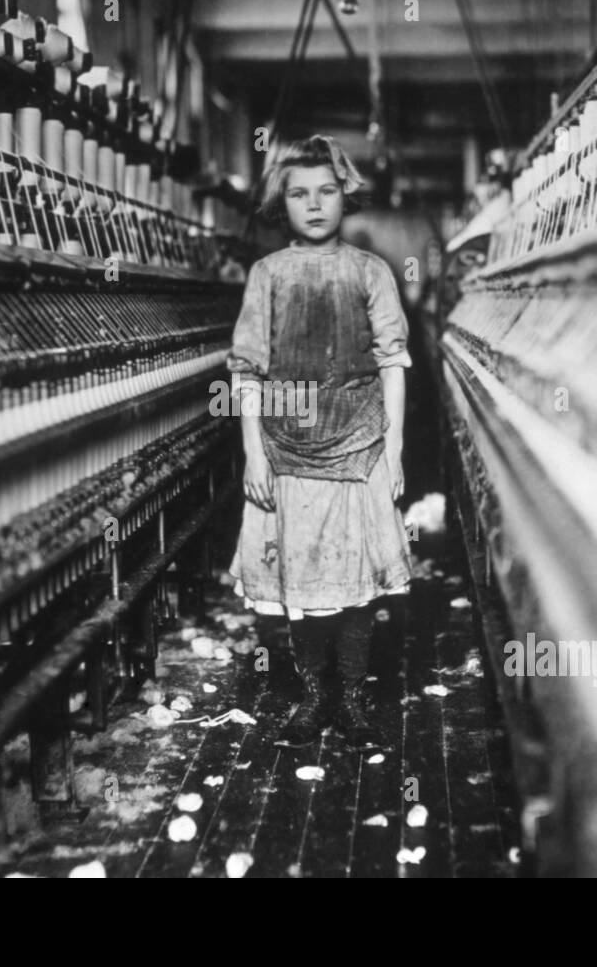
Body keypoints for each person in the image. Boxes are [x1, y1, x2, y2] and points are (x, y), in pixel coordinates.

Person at [225, 135, 413, 751]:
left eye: (326, 191)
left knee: (356, 586)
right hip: (287, 451)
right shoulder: (268, 274)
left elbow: (393, 362)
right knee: (301, 591)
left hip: (359, 447)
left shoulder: (371, 271)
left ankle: (354, 701)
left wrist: (395, 448)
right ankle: (312, 700)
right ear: (285, 201)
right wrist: (254, 451)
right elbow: (246, 369)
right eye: (300, 193)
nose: (313, 205)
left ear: (344, 196)